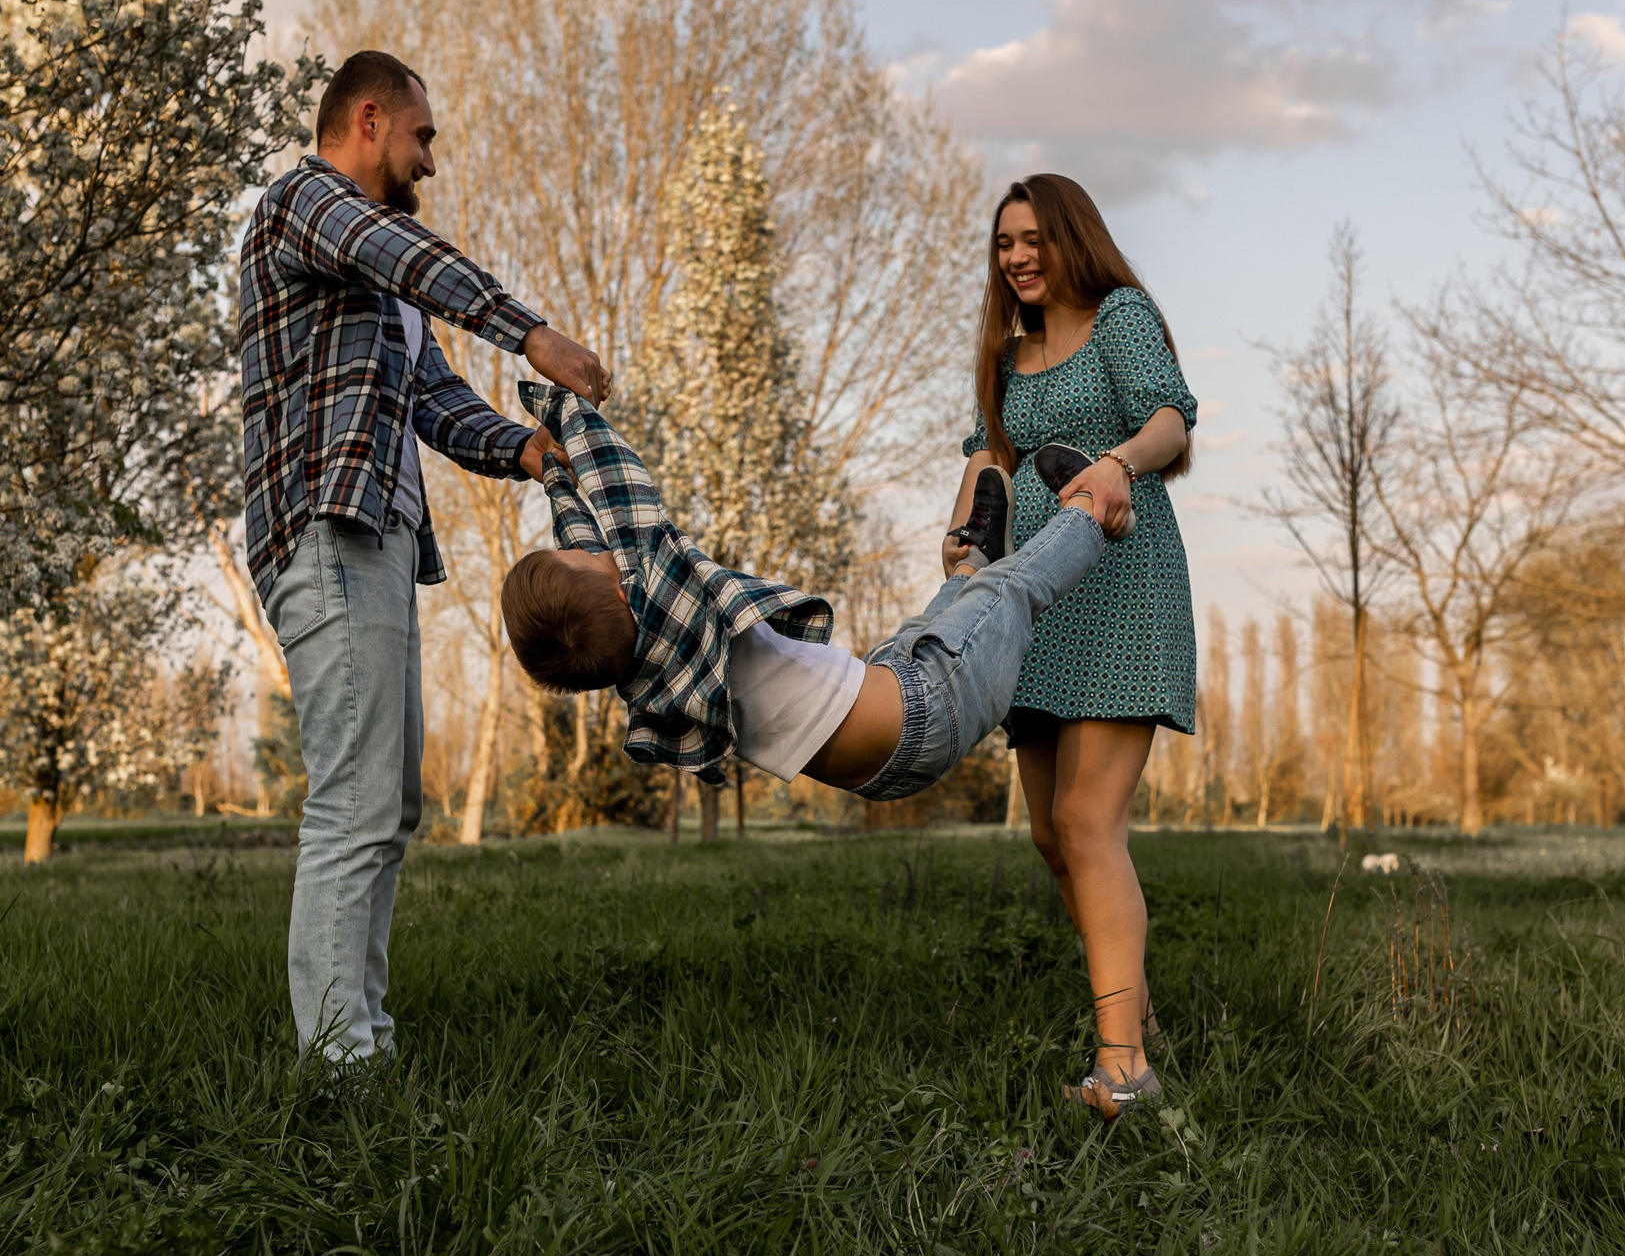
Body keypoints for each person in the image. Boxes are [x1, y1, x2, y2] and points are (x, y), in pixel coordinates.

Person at [236, 49, 609, 1071]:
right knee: (355, 796)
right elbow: (406, 257)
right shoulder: (303, 206)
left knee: (387, 801)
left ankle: (363, 1037)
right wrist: (530, 334)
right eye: (423, 136)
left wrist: (526, 451)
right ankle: (336, 1061)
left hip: (377, 542)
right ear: (368, 119)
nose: (431, 161)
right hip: (323, 529)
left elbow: (431, 398)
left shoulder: (375, 272)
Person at [499, 382, 1132, 816]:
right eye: (587, 556)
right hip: (924, 712)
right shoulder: (661, 590)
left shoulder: (643, 669)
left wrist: (553, 472)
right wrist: (563, 407)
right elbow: (621, 491)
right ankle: (1091, 507)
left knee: (928, 628)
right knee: (1011, 591)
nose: (592, 546)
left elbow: (582, 545)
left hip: (885, 738)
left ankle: (971, 563)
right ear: (620, 588)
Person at [944, 174, 1197, 1122]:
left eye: (1033, 238)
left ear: (1069, 237)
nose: (1016, 256)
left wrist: (1116, 462)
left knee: (1090, 823)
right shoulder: (1009, 356)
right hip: (1035, 595)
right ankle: (1137, 1011)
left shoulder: (1121, 315)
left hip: (1123, 584)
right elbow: (988, 454)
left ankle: (1124, 1068)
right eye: (1004, 242)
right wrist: (967, 529)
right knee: (1053, 833)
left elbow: (1172, 420)